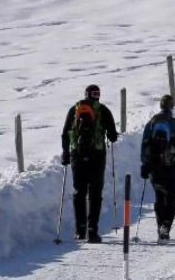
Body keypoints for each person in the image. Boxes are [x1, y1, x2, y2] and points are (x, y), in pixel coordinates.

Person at [61, 84, 118, 243]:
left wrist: (66, 152)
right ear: (98, 95)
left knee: (79, 191)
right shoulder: (103, 110)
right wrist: (110, 134)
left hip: (77, 155)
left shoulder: (75, 109)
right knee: (95, 192)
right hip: (97, 155)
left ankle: (80, 230)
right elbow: (113, 136)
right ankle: (93, 231)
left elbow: (65, 133)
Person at [140, 94, 175, 243]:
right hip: (173, 167)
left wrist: (145, 164)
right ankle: (165, 227)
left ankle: (160, 230)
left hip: (155, 167)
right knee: (171, 200)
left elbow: (144, 145)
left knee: (159, 199)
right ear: (172, 107)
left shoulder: (151, 124)